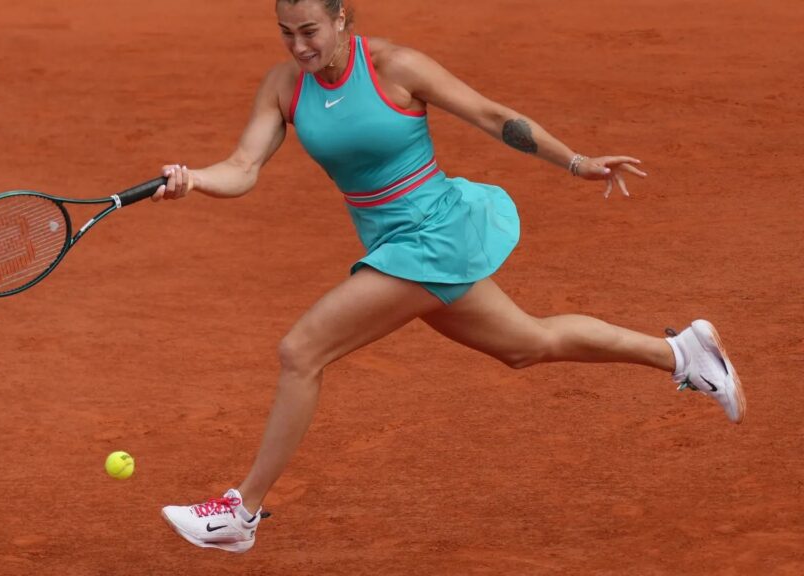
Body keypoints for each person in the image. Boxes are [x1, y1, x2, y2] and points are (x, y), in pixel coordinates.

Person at [154, 0, 745, 553]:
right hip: (396, 244)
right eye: (286, 33)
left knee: (301, 351)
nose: (299, 46)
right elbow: (243, 166)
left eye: (309, 30)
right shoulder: (284, 86)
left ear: (341, 18)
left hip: (434, 234)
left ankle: (241, 512)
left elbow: (492, 115)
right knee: (526, 344)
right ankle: (681, 354)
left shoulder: (395, 67)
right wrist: (196, 179)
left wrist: (576, 162)